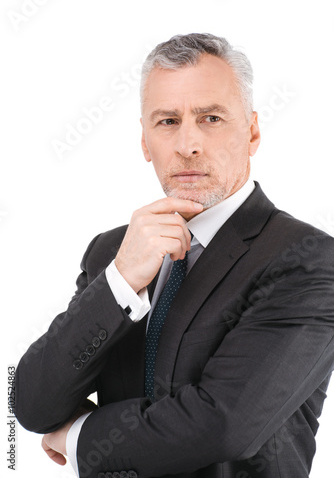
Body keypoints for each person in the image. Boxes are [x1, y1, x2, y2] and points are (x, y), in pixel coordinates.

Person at [15, 33, 334, 478]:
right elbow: (33, 404)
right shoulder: (113, 251)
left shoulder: (308, 260)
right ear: (145, 141)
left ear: (253, 132)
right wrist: (121, 280)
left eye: (211, 118)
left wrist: (76, 437)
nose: (188, 144)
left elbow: (224, 423)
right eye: (167, 121)